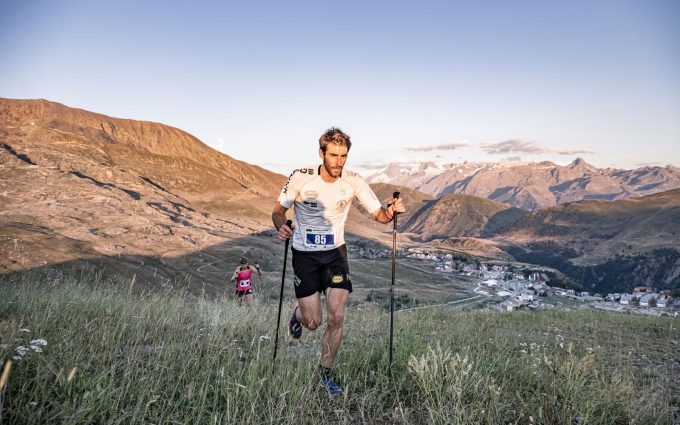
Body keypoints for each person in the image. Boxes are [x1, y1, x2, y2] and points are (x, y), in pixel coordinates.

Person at [272, 127, 405, 395]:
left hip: (335, 254)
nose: (339, 162)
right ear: (321, 153)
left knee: (337, 316)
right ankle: (297, 315)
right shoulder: (301, 178)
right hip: (305, 256)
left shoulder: (353, 181)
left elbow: (378, 214)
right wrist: (282, 227)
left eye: (343, 156)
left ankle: (325, 374)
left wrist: (390, 211)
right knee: (314, 322)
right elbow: (278, 211)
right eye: (333, 155)